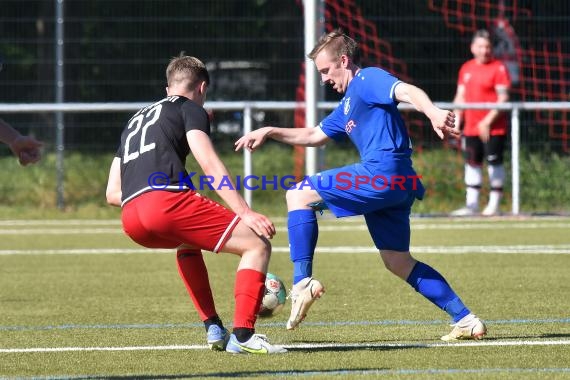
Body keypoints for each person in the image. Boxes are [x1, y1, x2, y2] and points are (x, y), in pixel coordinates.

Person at [235, 29, 487, 341]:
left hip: (382, 172)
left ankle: (302, 282)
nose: (324, 79)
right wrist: (271, 130)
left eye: (326, 70)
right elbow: (314, 136)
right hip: (399, 183)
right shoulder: (347, 105)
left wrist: (433, 111)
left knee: (298, 194)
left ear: (343, 60)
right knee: (397, 261)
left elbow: (406, 91)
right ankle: (465, 319)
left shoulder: (367, 79)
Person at [105, 55, 286, 354]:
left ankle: (213, 326)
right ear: (202, 88)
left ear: (168, 88)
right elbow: (209, 163)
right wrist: (245, 211)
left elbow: (113, 192)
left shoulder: (134, 120)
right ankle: (244, 335)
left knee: (187, 244)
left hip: (132, 219)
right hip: (164, 205)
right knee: (257, 244)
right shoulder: (189, 108)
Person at [450, 29, 511, 217]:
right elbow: (460, 95)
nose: (484, 50)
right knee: (472, 163)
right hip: (471, 128)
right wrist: (456, 120)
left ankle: (494, 205)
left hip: (494, 128)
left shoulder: (499, 67)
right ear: (472, 47)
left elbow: (504, 98)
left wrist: (487, 121)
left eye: (487, 46)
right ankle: (472, 204)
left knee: (494, 163)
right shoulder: (466, 68)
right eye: (480, 46)